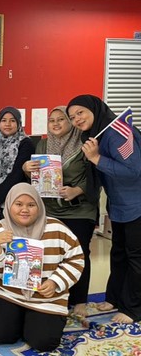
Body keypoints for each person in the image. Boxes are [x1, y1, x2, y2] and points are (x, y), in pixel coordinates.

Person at [0, 183, 84, 351]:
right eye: (18, 204)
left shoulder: (58, 228)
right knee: (0, 335)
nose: (25, 210)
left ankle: (30, 320)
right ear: (9, 205)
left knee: (44, 343)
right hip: (8, 294)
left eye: (31, 205)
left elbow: (76, 259)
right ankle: (20, 318)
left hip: (46, 299)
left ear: (39, 206)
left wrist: (55, 282)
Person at [67, 95, 141, 323]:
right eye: (73, 117)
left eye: (80, 112)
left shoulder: (118, 132)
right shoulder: (97, 133)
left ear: (94, 109)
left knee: (136, 257)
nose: (77, 119)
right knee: (118, 253)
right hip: (118, 205)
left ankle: (133, 309)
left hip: (136, 205)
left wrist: (96, 158)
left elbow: (134, 171)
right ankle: (115, 298)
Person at [22, 106, 98, 317]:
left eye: (61, 119)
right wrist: (26, 169)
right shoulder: (43, 144)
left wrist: (77, 190)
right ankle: (57, 293)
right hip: (50, 208)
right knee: (52, 253)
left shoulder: (84, 143)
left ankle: (80, 300)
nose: (55, 124)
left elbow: (95, 175)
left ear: (70, 122)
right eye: (51, 120)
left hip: (79, 209)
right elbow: (36, 177)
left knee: (79, 253)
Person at [0, 107, 34, 232]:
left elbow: (18, 172)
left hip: (13, 196)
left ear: (19, 123)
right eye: (4, 120)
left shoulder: (25, 143)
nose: (7, 124)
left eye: (12, 120)